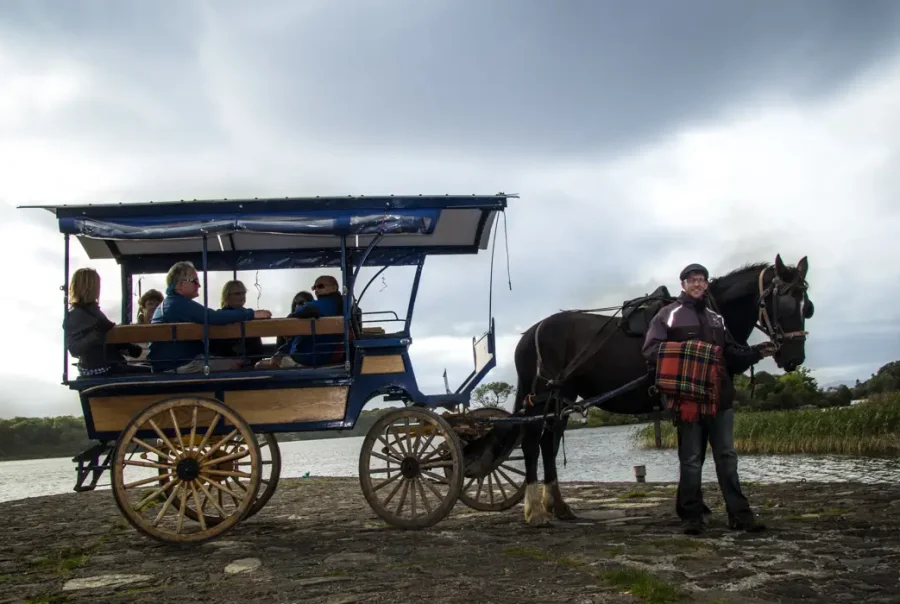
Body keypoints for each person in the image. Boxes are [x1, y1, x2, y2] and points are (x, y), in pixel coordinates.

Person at [642, 263, 776, 535]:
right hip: (688, 401)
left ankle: (740, 515)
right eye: (692, 280)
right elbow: (651, 350)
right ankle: (692, 517)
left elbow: (728, 354)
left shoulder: (717, 318)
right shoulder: (667, 315)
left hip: (720, 398)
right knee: (691, 459)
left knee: (727, 457)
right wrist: (692, 353)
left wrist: (756, 353)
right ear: (683, 284)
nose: (697, 284)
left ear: (706, 284)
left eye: (702, 280)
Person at [148, 262, 272, 373]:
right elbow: (213, 317)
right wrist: (252, 314)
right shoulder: (178, 304)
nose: (199, 285)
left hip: (170, 363)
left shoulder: (172, 303)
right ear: (180, 285)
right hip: (178, 365)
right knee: (237, 364)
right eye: (194, 281)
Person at [63, 268, 148, 377]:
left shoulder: (92, 309)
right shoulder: (75, 314)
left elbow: (107, 333)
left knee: (148, 369)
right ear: (89, 287)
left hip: (110, 364)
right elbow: (74, 349)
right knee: (151, 372)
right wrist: (97, 331)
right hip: (100, 369)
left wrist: (127, 346)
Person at [256, 275, 343, 369]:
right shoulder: (320, 311)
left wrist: (291, 318)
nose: (316, 290)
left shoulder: (326, 305)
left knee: (259, 366)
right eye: (314, 287)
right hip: (311, 355)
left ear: (334, 287)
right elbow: (298, 339)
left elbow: (307, 309)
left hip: (309, 358)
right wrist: (282, 351)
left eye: (320, 286)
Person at [209, 280, 265, 365]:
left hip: (251, 362)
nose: (241, 296)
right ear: (227, 296)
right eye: (237, 294)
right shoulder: (220, 316)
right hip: (225, 362)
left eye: (243, 293)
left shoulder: (250, 315)